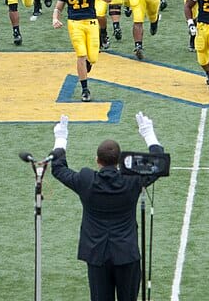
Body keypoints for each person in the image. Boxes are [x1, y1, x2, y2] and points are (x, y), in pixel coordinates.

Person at [50, 111, 164, 301]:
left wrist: (61, 138)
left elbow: (58, 168)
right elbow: (159, 164)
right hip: (126, 252)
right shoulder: (131, 180)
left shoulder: (86, 180)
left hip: (97, 255)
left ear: (97, 160)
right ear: (120, 161)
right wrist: (148, 132)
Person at [53, 0, 113, 102]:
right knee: (81, 54)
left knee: (92, 57)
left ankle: (86, 66)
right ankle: (85, 89)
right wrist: (55, 18)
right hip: (74, 23)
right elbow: (59, 6)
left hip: (91, 22)